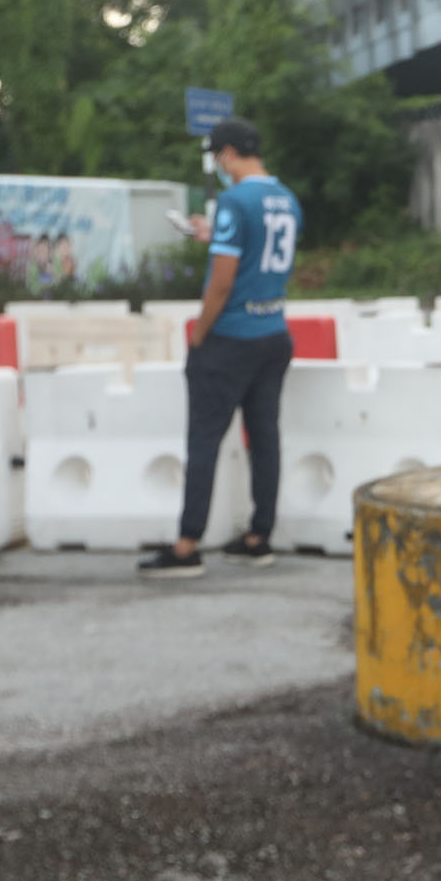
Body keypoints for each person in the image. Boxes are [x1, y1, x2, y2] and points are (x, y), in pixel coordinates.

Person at [139, 117, 302, 578]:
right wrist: (210, 234)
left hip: (230, 337)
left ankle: (187, 545)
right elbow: (261, 251)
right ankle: (258, 536)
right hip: (273, 331)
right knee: (264, 437)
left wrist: (199, 333)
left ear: (228, 153)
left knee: (205, 441)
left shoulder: (233, 200)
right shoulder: (286, 199)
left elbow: (222, 281)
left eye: (217, 157)